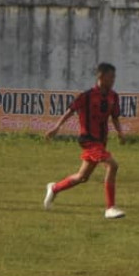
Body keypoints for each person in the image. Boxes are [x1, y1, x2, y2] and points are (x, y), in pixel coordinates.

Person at [43, 62, 126, 219]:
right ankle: (110, 208)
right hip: (88, 140)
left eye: (114, 77)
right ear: (101, 77)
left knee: (82, 177)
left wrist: (120, 132)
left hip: (101, 141)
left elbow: (114, 117)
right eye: (111, 77)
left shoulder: (113, 96)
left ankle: (54, 188)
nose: (113, 80)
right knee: (113, 165)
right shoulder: (87, 96)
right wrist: (56, 127)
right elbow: (70, 111)